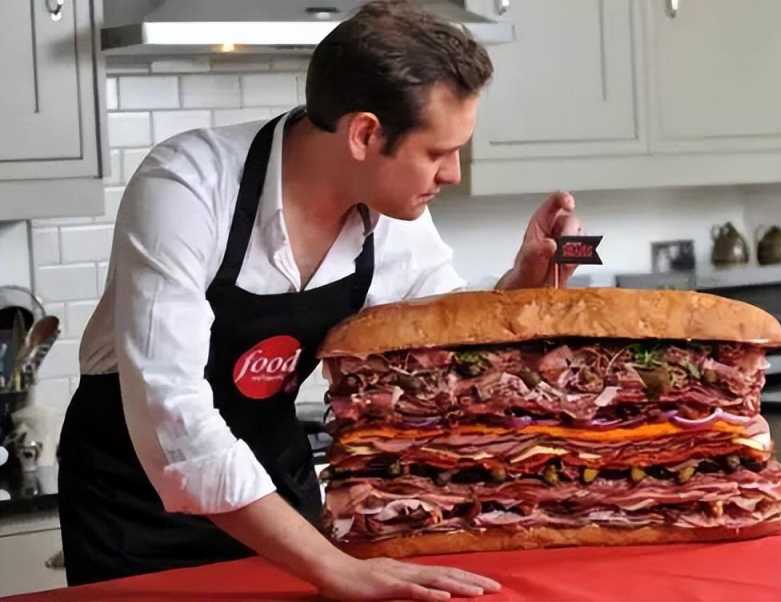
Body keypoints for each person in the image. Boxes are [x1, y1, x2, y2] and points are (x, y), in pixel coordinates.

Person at [57, 1, 581, 599]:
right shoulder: (187, 187)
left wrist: (523, 283)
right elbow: (169, 413)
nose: (453, 173)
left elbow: (447, 345)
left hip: (280, 494)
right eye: (437, 152)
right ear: (364, 134)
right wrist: (336, 569)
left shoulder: (392, 215)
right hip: (137, 506)